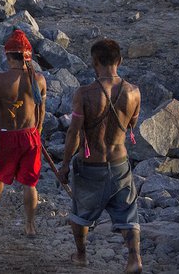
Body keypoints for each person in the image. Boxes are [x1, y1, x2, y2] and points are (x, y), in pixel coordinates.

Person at [58, 39, 142, 272]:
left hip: (90, 166)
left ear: (95, 62)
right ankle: (134, 258)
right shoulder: (134, 92)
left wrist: (65, 165)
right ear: (120, 61)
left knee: (81, 213)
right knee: (127, 214)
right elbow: (132, 124)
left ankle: (81, 255)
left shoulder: (84, 94)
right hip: (120, 163)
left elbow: (74, 132)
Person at [0, 30, 46, 238]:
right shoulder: (39, 79)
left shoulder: (0, 79)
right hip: (30, 135)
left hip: (7, 134)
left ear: (8, 56)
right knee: (30, 183)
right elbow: (41, 111)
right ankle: (30, 226)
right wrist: (37, 132)